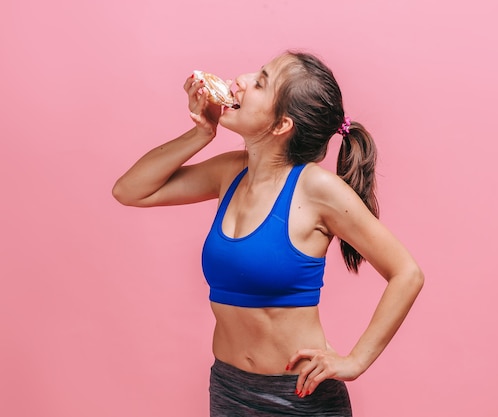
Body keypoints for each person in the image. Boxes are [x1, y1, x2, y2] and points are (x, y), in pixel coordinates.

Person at [112, 50, 424, 417]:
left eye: (260, 82)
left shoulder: (317, 189)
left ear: (281, 126)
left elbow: (407, 273)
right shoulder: (231, 172)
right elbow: (130, 191)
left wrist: (355, 361)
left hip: (300, 398)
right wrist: (200, 135)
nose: (241, 80)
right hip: (228, 389)